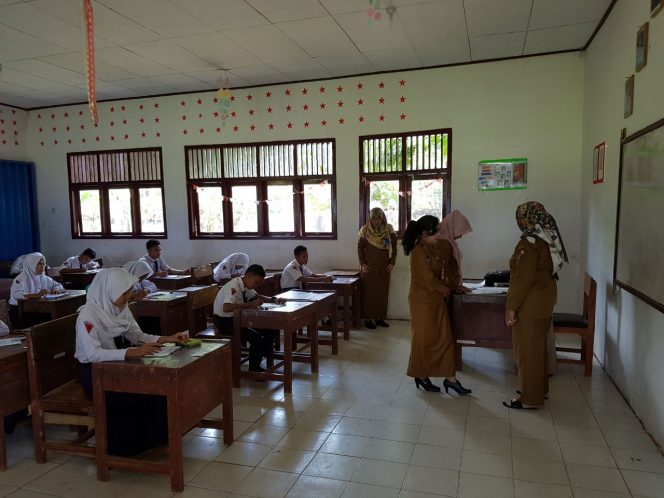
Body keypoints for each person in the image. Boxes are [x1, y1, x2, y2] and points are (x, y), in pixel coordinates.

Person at [74, 268, 187, 456]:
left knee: (155, 388)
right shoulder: (87, 315)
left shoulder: (120, 308)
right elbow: (94, 355)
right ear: (109, 290)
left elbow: (138, 335)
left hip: (117, 366)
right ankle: (122, 449)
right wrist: (133, 352)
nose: (127, 297)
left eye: (129, 292)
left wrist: (168, 338)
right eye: (124, 292)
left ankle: (153, 439)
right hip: (93, 372)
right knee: (129, 396)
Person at [503, 201, 567, 410]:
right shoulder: (547, 239)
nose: (519, 221)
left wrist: (511, 306)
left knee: (527, 351)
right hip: (544, 303)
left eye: (520, 217)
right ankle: (540, 390)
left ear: (527, 218)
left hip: (529, 306)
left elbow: (523, 279)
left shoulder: (528, 242)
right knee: (539, 349)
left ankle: (530, 398)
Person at [403, 215, 471, 395]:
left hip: (437, 299)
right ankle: (421, 375)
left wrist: (454, 286)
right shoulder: (418, 250)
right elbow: (426, 279)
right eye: (434, 234)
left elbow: (447, 268)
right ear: (423, 234)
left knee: (445, 338)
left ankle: (450, 378)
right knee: (424, 340)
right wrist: (444, 289)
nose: (438, 236)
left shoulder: (437, 246)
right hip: (423, 300)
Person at [213, 264, 282, 372]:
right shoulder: (233, 286)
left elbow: (257, 296)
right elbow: (226, 308)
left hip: (238, 319)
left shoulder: (245, 285)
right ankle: (254, 369)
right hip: (225, 322)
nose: (257, 285)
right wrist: (250, 305)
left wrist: (273, 299)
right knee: (256, 337)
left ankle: (263, 355)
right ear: (249, 276)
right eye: (256, 282)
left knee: (270, 329)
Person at [357, 207, 397, 329]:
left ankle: (380, 318)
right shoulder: (365, 230)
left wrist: (392, 263)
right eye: (374, 218)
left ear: (382, 218)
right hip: (369, 269)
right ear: (370, 219)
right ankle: (369, 319)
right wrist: (363, 264)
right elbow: (360, 248)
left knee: (382, 294)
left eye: (378, 218)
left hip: (384, 268)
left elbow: (394, 248)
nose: (376, 221)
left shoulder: (388, 229)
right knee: (369, 295)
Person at [436, 209, 473, 288]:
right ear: (452, 227)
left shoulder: (449, 242)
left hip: (449, 286)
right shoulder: (443, 242)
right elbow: (445, 270)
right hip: (445, 288)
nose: (460, 236)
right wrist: (455, 286)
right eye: (459, 232)